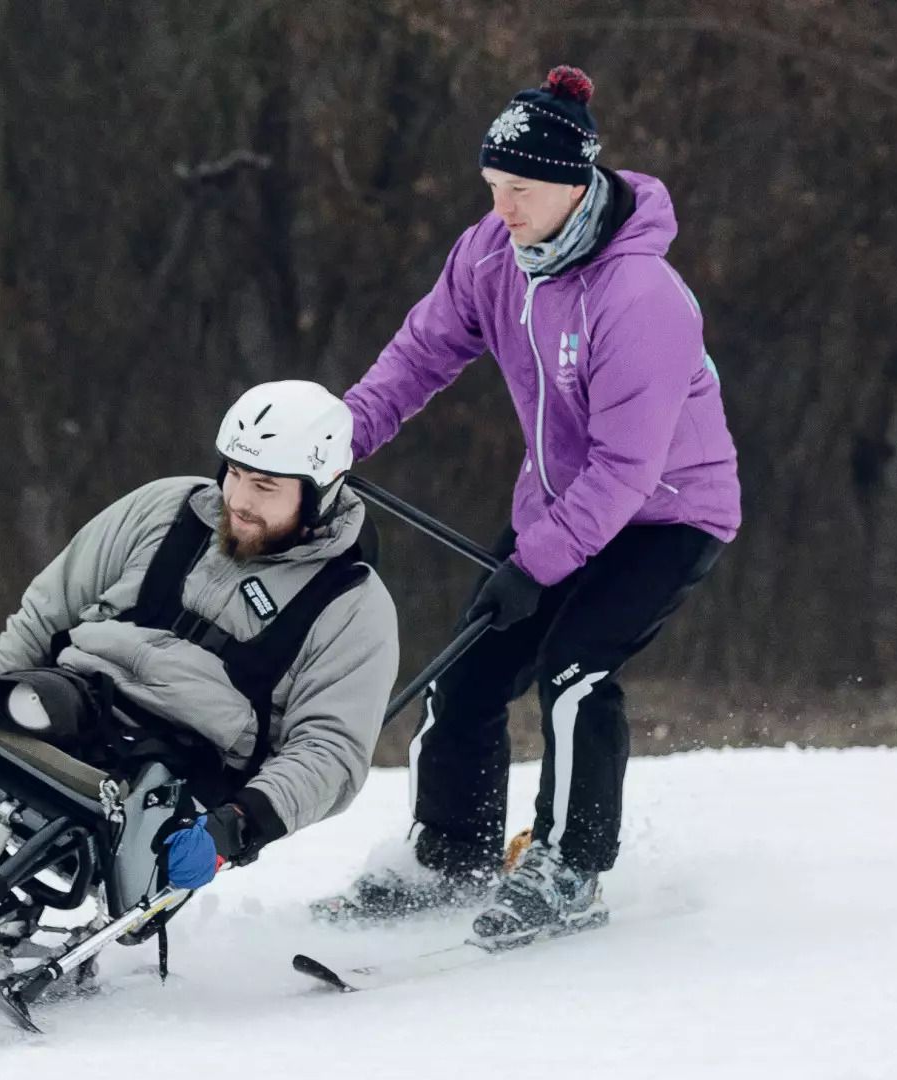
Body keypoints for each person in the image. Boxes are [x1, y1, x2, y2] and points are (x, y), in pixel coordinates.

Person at [316, 65, 741, 949]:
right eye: (492, 186)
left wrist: (536, 563)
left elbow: (627, 470)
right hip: (560, 503)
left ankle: (569, 867)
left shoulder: (641, 297)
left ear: (574, 184)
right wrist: (336, 440)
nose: (502, 208)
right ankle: (450, 855)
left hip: (668, 514)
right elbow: (420, 355)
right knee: (468, 676)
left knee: (574, 668)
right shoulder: (490, 255)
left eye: (521, 190)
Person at [0, 380, 400, 888]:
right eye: (234, 472)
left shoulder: (353, 606)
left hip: (186, 760)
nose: (238, 500)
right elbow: (46, 610)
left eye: (265, 486)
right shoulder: (167, 509)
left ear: (322, 491)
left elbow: (329, 751)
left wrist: (237, 824)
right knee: (14, 706)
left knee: (143, 791)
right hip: (78, 698)